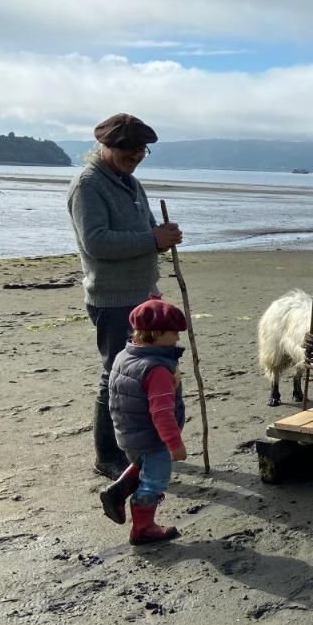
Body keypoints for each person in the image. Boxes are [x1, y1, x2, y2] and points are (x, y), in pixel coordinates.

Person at [67, 113, 183, 479]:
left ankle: (142, 444)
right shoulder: (88, 185)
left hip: (141, 294)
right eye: (127, 151)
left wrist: (161, 237)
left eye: (140, 152)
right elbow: (97, 242)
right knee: (116, 376)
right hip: (112, 298)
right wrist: (153, 239)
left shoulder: (129, 182)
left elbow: (145, 231)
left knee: (146, 374)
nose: (134, 157)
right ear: (105, 146)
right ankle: (108, 456)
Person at [98, 295, 188, 545]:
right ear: (157, 333)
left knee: (141, 462)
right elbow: (161, 413)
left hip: (128, 433)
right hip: (152, 438)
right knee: (154, 480)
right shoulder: (156, 369)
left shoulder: (124, 356)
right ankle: (143, 528)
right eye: (174, 333)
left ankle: (117, 492)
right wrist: (174, 444)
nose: (178, 338)